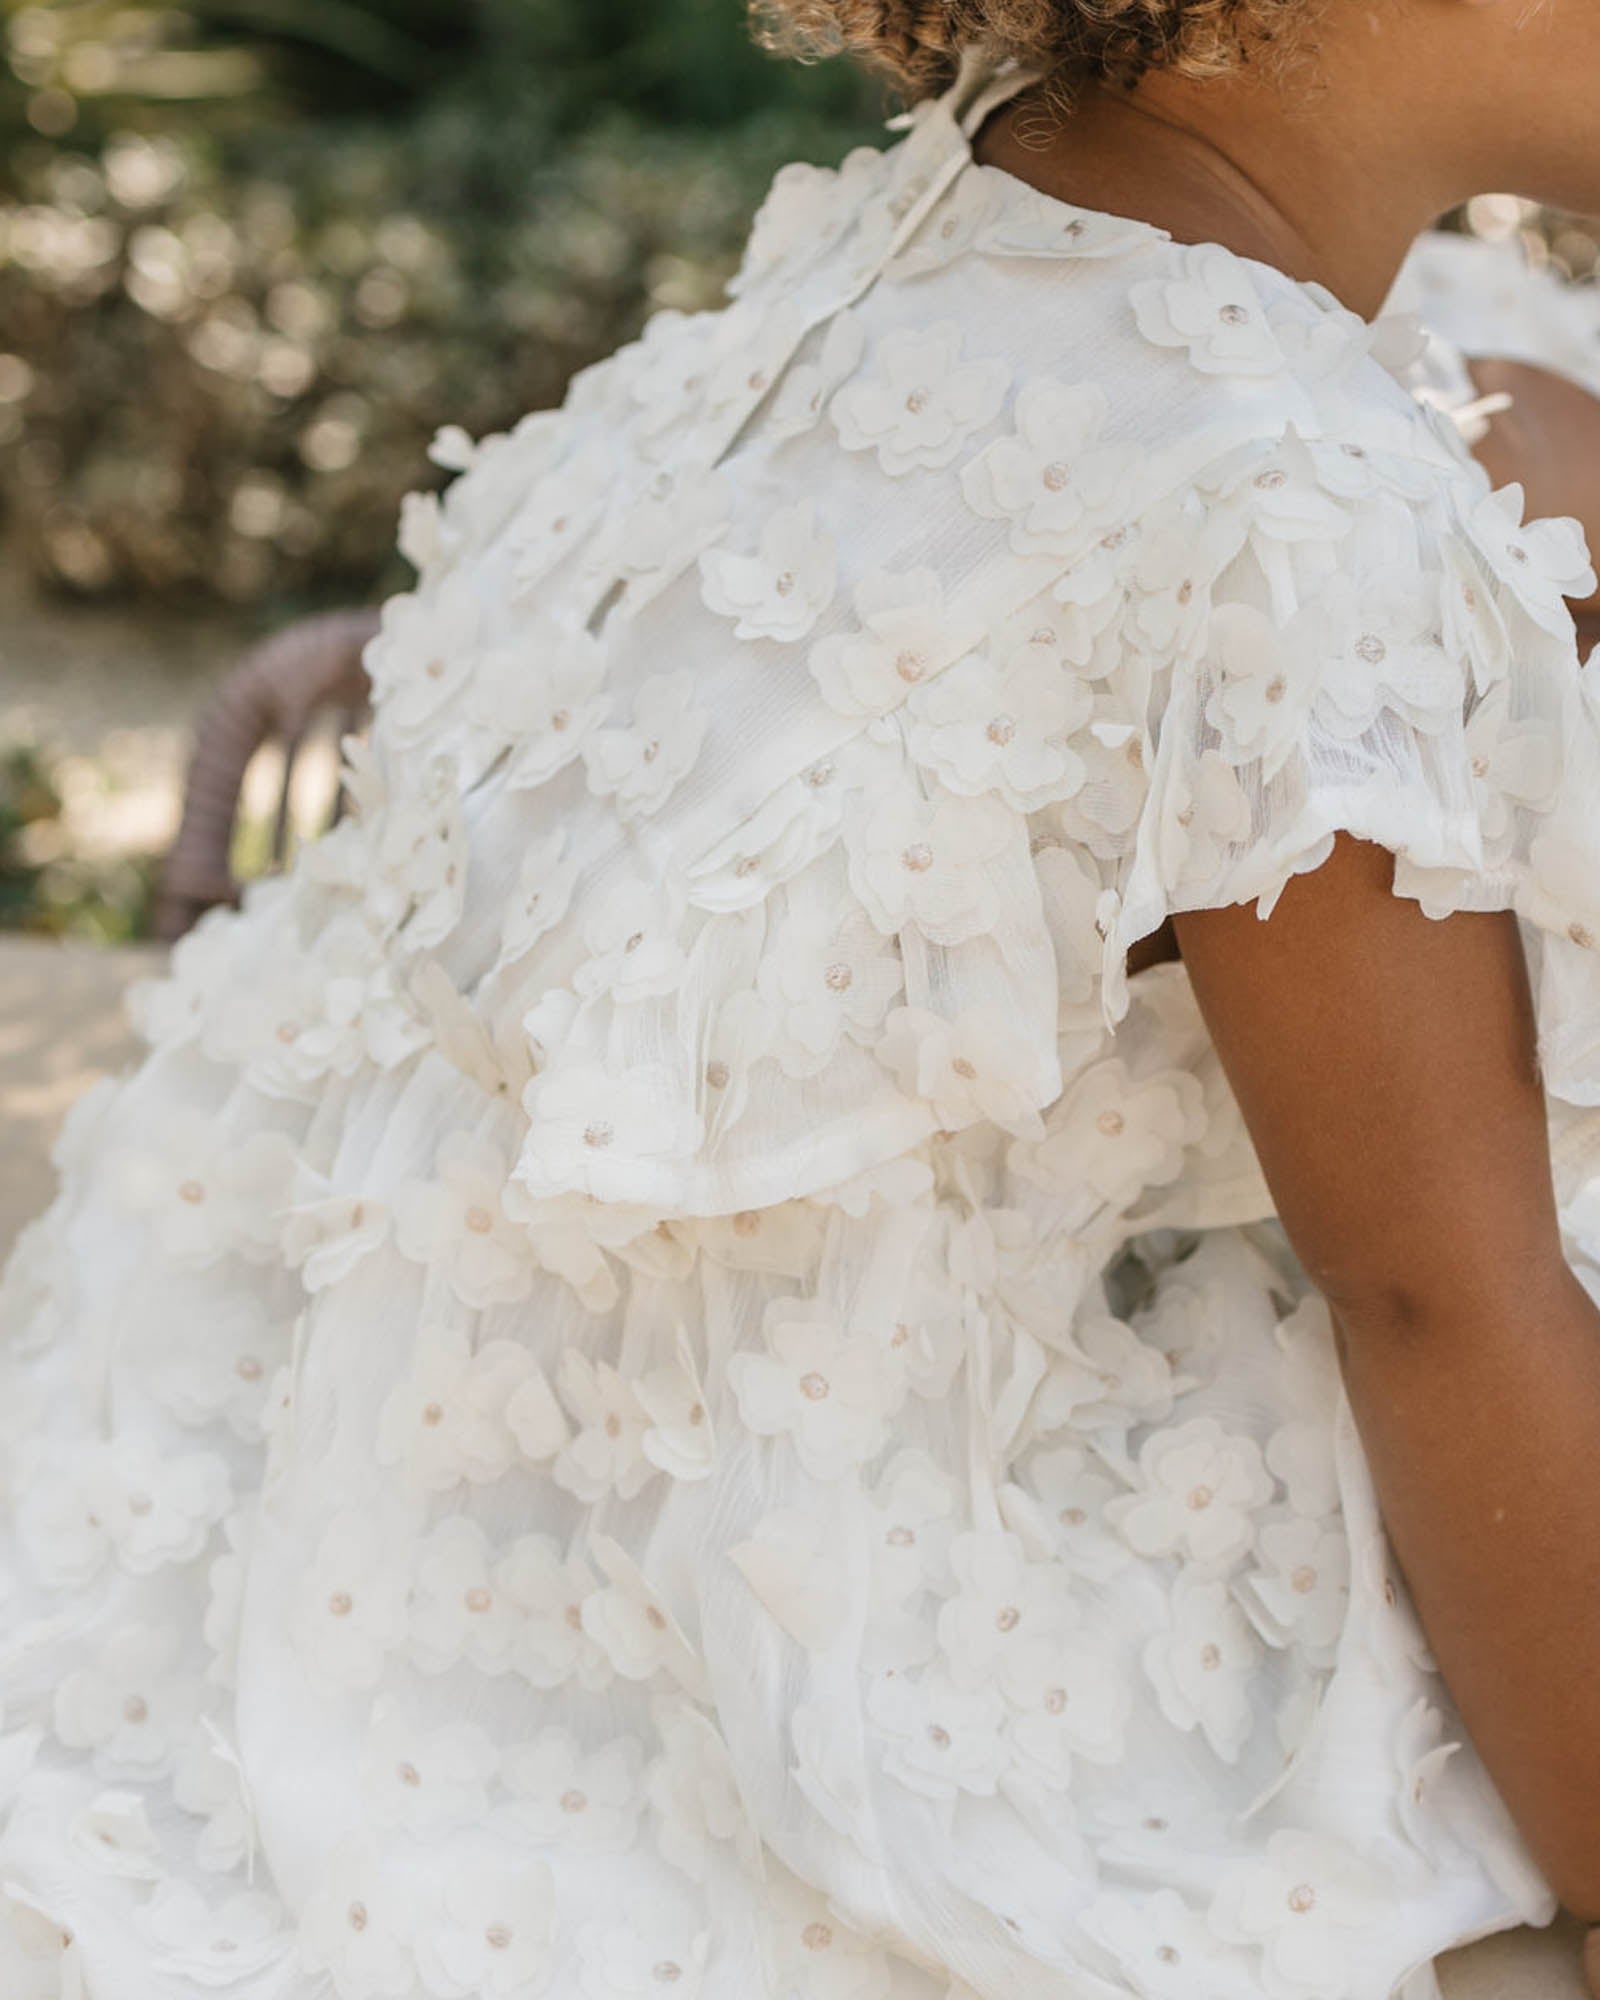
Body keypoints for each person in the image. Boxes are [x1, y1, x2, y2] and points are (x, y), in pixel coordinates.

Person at [5, 1, 1600, 1994]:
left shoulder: (936, 225)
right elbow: (1438, 1294)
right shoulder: (1283, 515)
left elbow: (1448, 433)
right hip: (773, 1635)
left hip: (317, 1444)